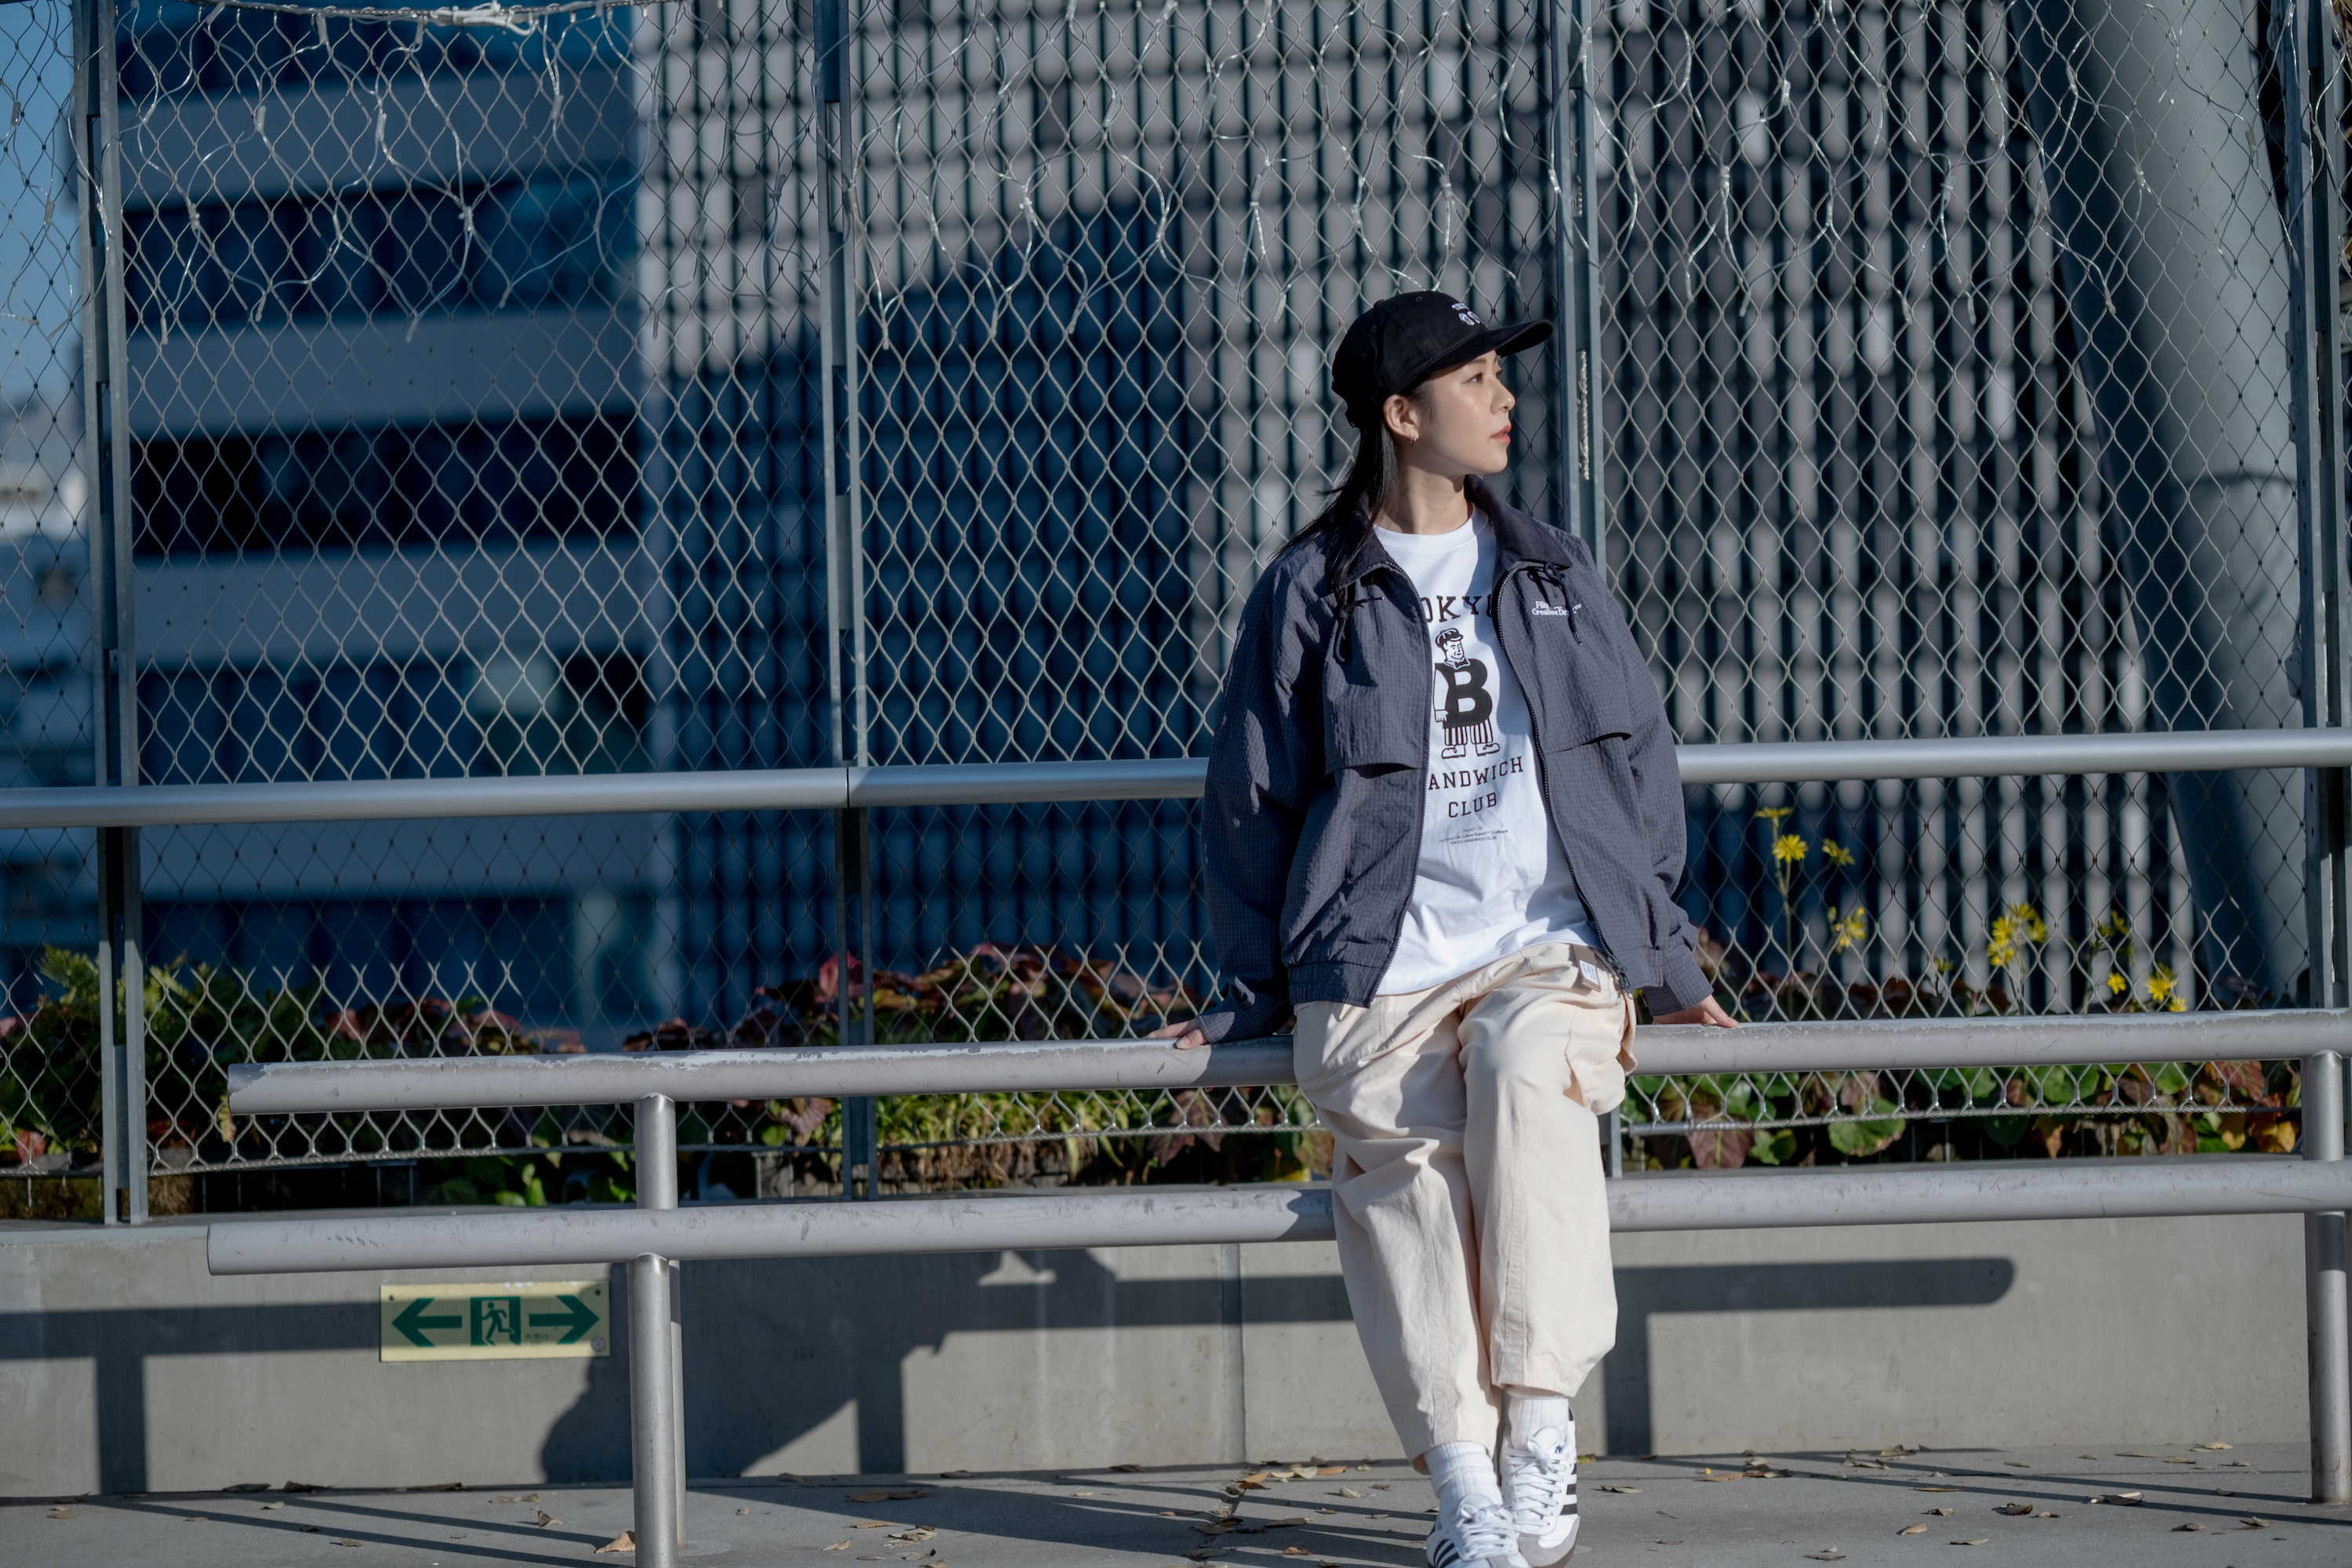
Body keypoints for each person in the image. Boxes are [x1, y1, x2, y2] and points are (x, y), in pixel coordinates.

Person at [1152, 291, 1737, 1568]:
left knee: (1530, 1072)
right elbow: (1249, 800)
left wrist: (1662, 954)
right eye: (1475, 379)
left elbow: (1638, 758)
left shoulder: (1550, 568)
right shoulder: (1312, 590)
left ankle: (1540, 1429)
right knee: (1407, 1177)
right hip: (1381, 967)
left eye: (1499, 375)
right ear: (1402, 417)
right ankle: (1464, 1482)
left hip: (1547, 944)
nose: (1505, 398)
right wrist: (1252, 990)